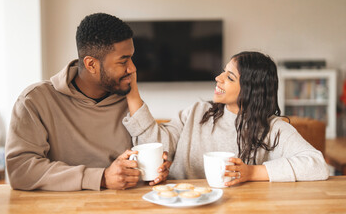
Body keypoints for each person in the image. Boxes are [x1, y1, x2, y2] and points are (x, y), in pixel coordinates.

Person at [5, 13, 170, 191]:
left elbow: (147, 153)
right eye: (123, 61)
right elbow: (20, 170)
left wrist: (156, 169)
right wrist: (101, 178)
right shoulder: (35, 101)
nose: (133, 68)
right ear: (91, 64)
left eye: (131, 58)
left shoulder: (127, 100)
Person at [123, 51, 329, 186]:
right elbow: (155, 144)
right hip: (181, 204)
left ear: (251, 90)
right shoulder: (197, 112)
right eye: (223, 72)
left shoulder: (272, 128)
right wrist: (132, 93)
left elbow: (316, 164)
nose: (218, 78)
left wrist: (251, 173)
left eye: (229, 77)